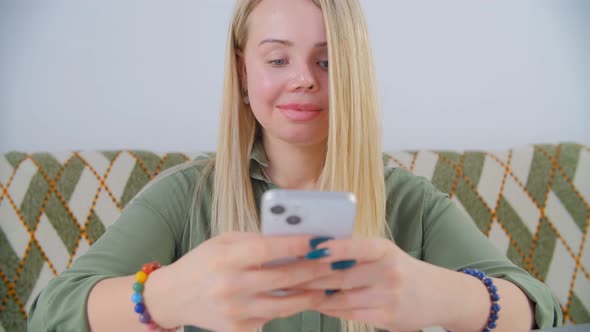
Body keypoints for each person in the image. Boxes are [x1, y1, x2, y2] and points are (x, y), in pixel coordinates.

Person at [27, 0, 563, 331]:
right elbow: (51, 312)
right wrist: (164, 297)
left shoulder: (410, 203)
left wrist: (442, 297)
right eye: (278, 59)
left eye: (327, 61)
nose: (304, 79)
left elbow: (539, 308)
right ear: (242, 72)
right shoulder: (185, 197)